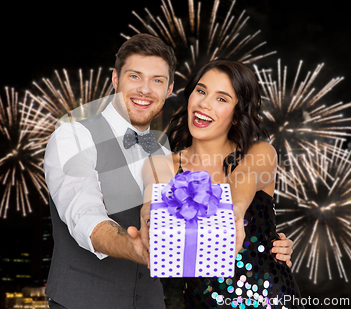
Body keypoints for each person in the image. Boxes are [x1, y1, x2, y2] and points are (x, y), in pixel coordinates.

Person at [44, 33, 294, 308]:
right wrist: (136, 245)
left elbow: (242, 187)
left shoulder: (163, 151)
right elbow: (84, 214)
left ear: (170, 89)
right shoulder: (75, 136)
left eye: (157, 81)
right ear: (115, 79)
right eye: (135, 76)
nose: (145, 89)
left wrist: (267, 241)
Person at [140, 59, 301, 308]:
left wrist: (234, 214)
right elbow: (151, 211)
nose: (204, 103)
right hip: (202, 301)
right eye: (201, 91)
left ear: (237, 115)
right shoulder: (161, 165)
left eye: (221, 98)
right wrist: (148, 226)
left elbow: (244, 179)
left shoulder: (260, 152)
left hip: (271, 299)